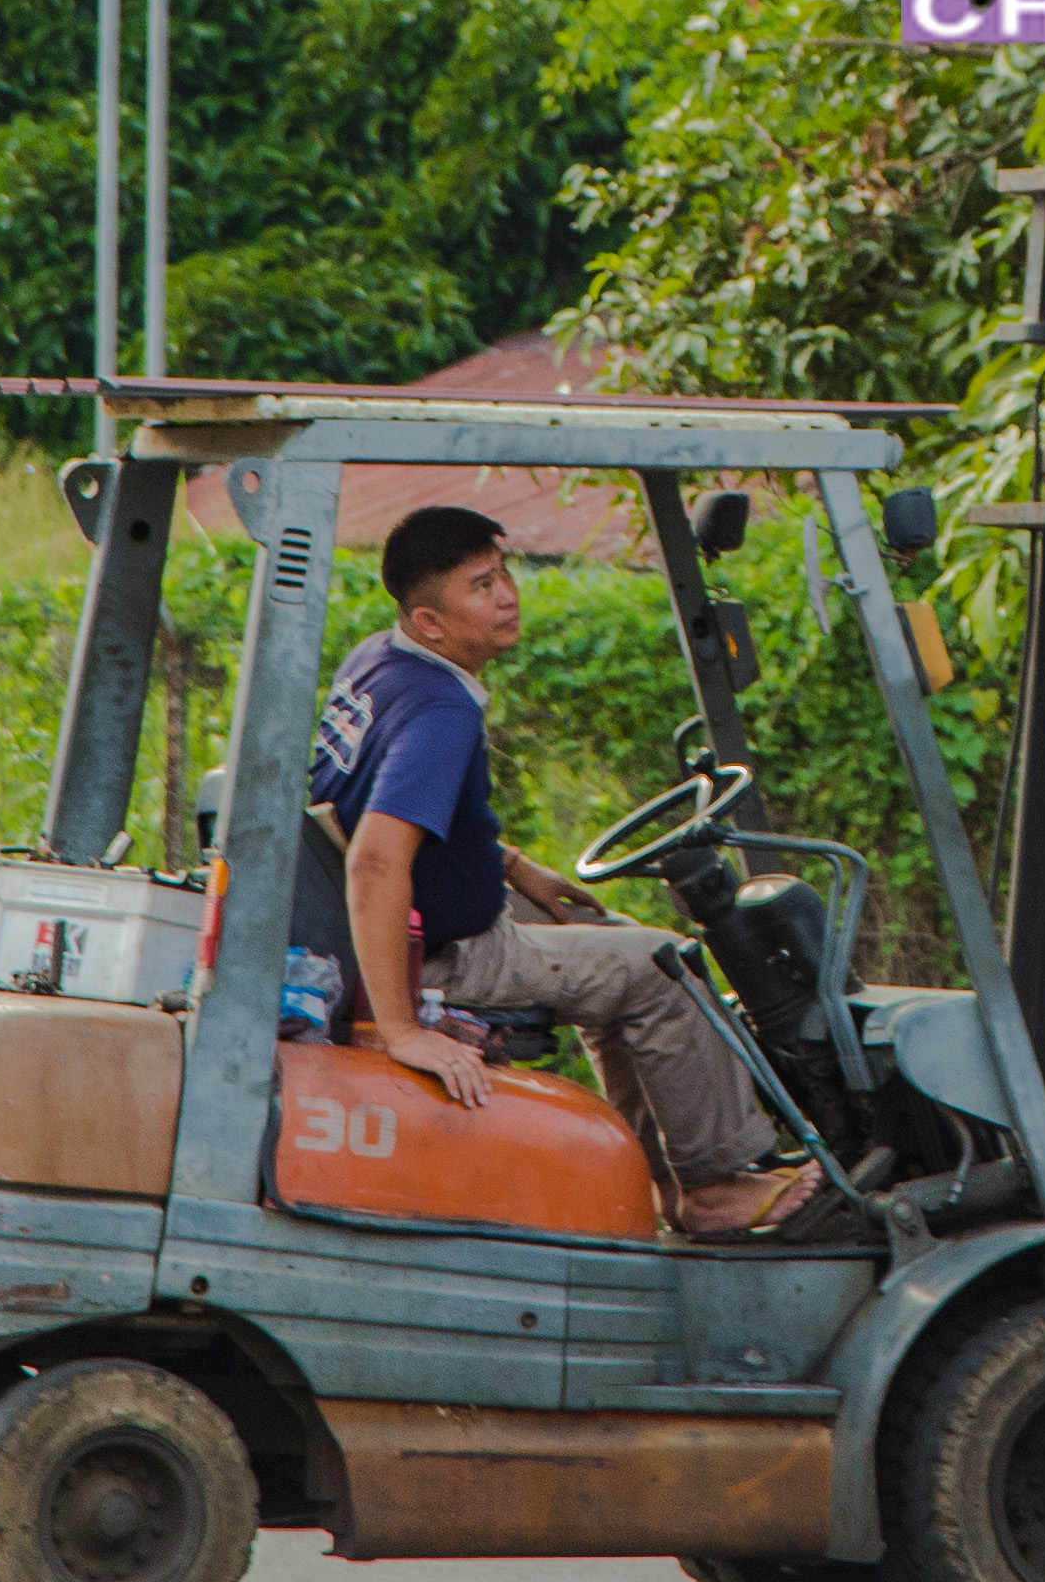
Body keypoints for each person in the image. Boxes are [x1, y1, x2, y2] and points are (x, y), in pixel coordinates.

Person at [292, 501, 827, 1240]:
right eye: (481, 586)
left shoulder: (380, 662)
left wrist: (513, 866)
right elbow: (378, 859)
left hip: (435, 920)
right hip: (442, 955)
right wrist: (401, 1027)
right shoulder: (441, 711)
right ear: (431, 623)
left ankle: (655, 1175)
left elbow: (369, 810)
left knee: (606, 934)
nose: (508, 594)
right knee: (665, 966)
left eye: (504, 573)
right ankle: (712, 1184)